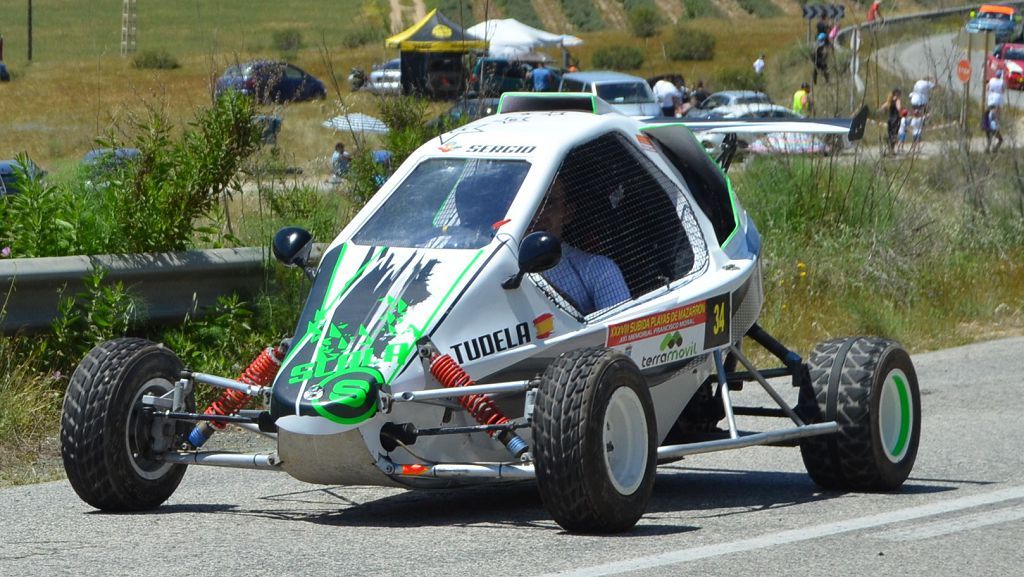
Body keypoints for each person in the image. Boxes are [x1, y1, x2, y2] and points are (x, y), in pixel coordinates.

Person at [531, 178, 630, 315]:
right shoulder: (496, 265)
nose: (538, 214)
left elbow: (618, 330)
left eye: (549, 203)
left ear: (568, 213)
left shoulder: (599, 270)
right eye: (529, 203)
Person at [878, 87, 903, 155]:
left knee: (890, 134)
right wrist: (901, 108)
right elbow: (899, 108)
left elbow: (882, 108)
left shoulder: (889, 101)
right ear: (897, 94)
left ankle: (889, 148)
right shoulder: (897, 100)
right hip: (896, 119)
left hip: (890, 119)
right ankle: (891, 149)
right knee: (894, 135)